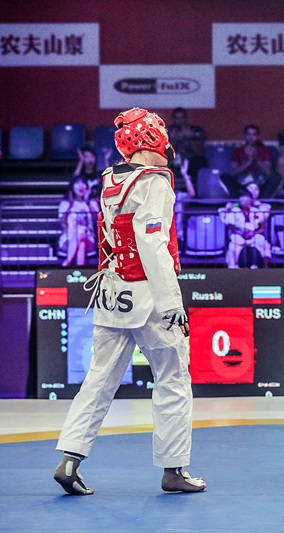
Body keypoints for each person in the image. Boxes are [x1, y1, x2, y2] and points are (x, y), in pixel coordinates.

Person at [54, 107, 205, 495]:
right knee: (173, 379)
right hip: (149, 296)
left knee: (99, 379)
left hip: (111, 292)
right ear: (152, 138)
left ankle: (69, 460)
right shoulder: (154, 182)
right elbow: (152, 243)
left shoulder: (110, 180)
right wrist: (172, 303)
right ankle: (174, 470)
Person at [219, 183, 271, 269]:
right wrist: (241, 232)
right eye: (242, 197)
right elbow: (231, 226)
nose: (245, 200)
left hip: (253, 236)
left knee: (263, 243)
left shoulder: (255, 210)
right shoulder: (234, 210)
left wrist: (253, 233)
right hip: (239, 236)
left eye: (247, 197)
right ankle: (233, 268)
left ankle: (264, 266)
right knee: (232, 248)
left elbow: (262, 227)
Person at [228, 124, 282, 197]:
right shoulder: (237, 151)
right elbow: (232, 173)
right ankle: (241, 198)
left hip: (260, 185)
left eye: (254, 135)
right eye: (249, 134)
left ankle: (264, 201)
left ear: (257, 137)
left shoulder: (264, 150)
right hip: (242, 185)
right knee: (224, 177)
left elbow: (269, 173)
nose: (251, 137)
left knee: (276, 177)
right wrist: (248, 163)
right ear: (244, 136)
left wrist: (257, 160)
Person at [58, 176, 100, 267]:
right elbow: (62, 221)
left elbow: (97, 219)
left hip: (88, 237)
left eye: (83, 183)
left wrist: (87, 202)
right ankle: (80, 267)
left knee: (81, 233)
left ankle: (67, 262)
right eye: (77, 183)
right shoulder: (66, 203)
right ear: (72, 186)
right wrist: (70, 205)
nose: (81, 186)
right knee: (81, 241)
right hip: (68, 239)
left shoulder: (91, 203)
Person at [167, 107, 207, 179]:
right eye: (177, 118)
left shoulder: (194, 131)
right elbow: (163, 151)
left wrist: (190, 138)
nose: (179, 121)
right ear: (173, 119)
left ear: (185, 119)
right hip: (173, 161)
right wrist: (173, 139)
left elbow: (199, 153)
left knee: (201, 161)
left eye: (182, 118)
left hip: (190, 161)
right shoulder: (167, 131)